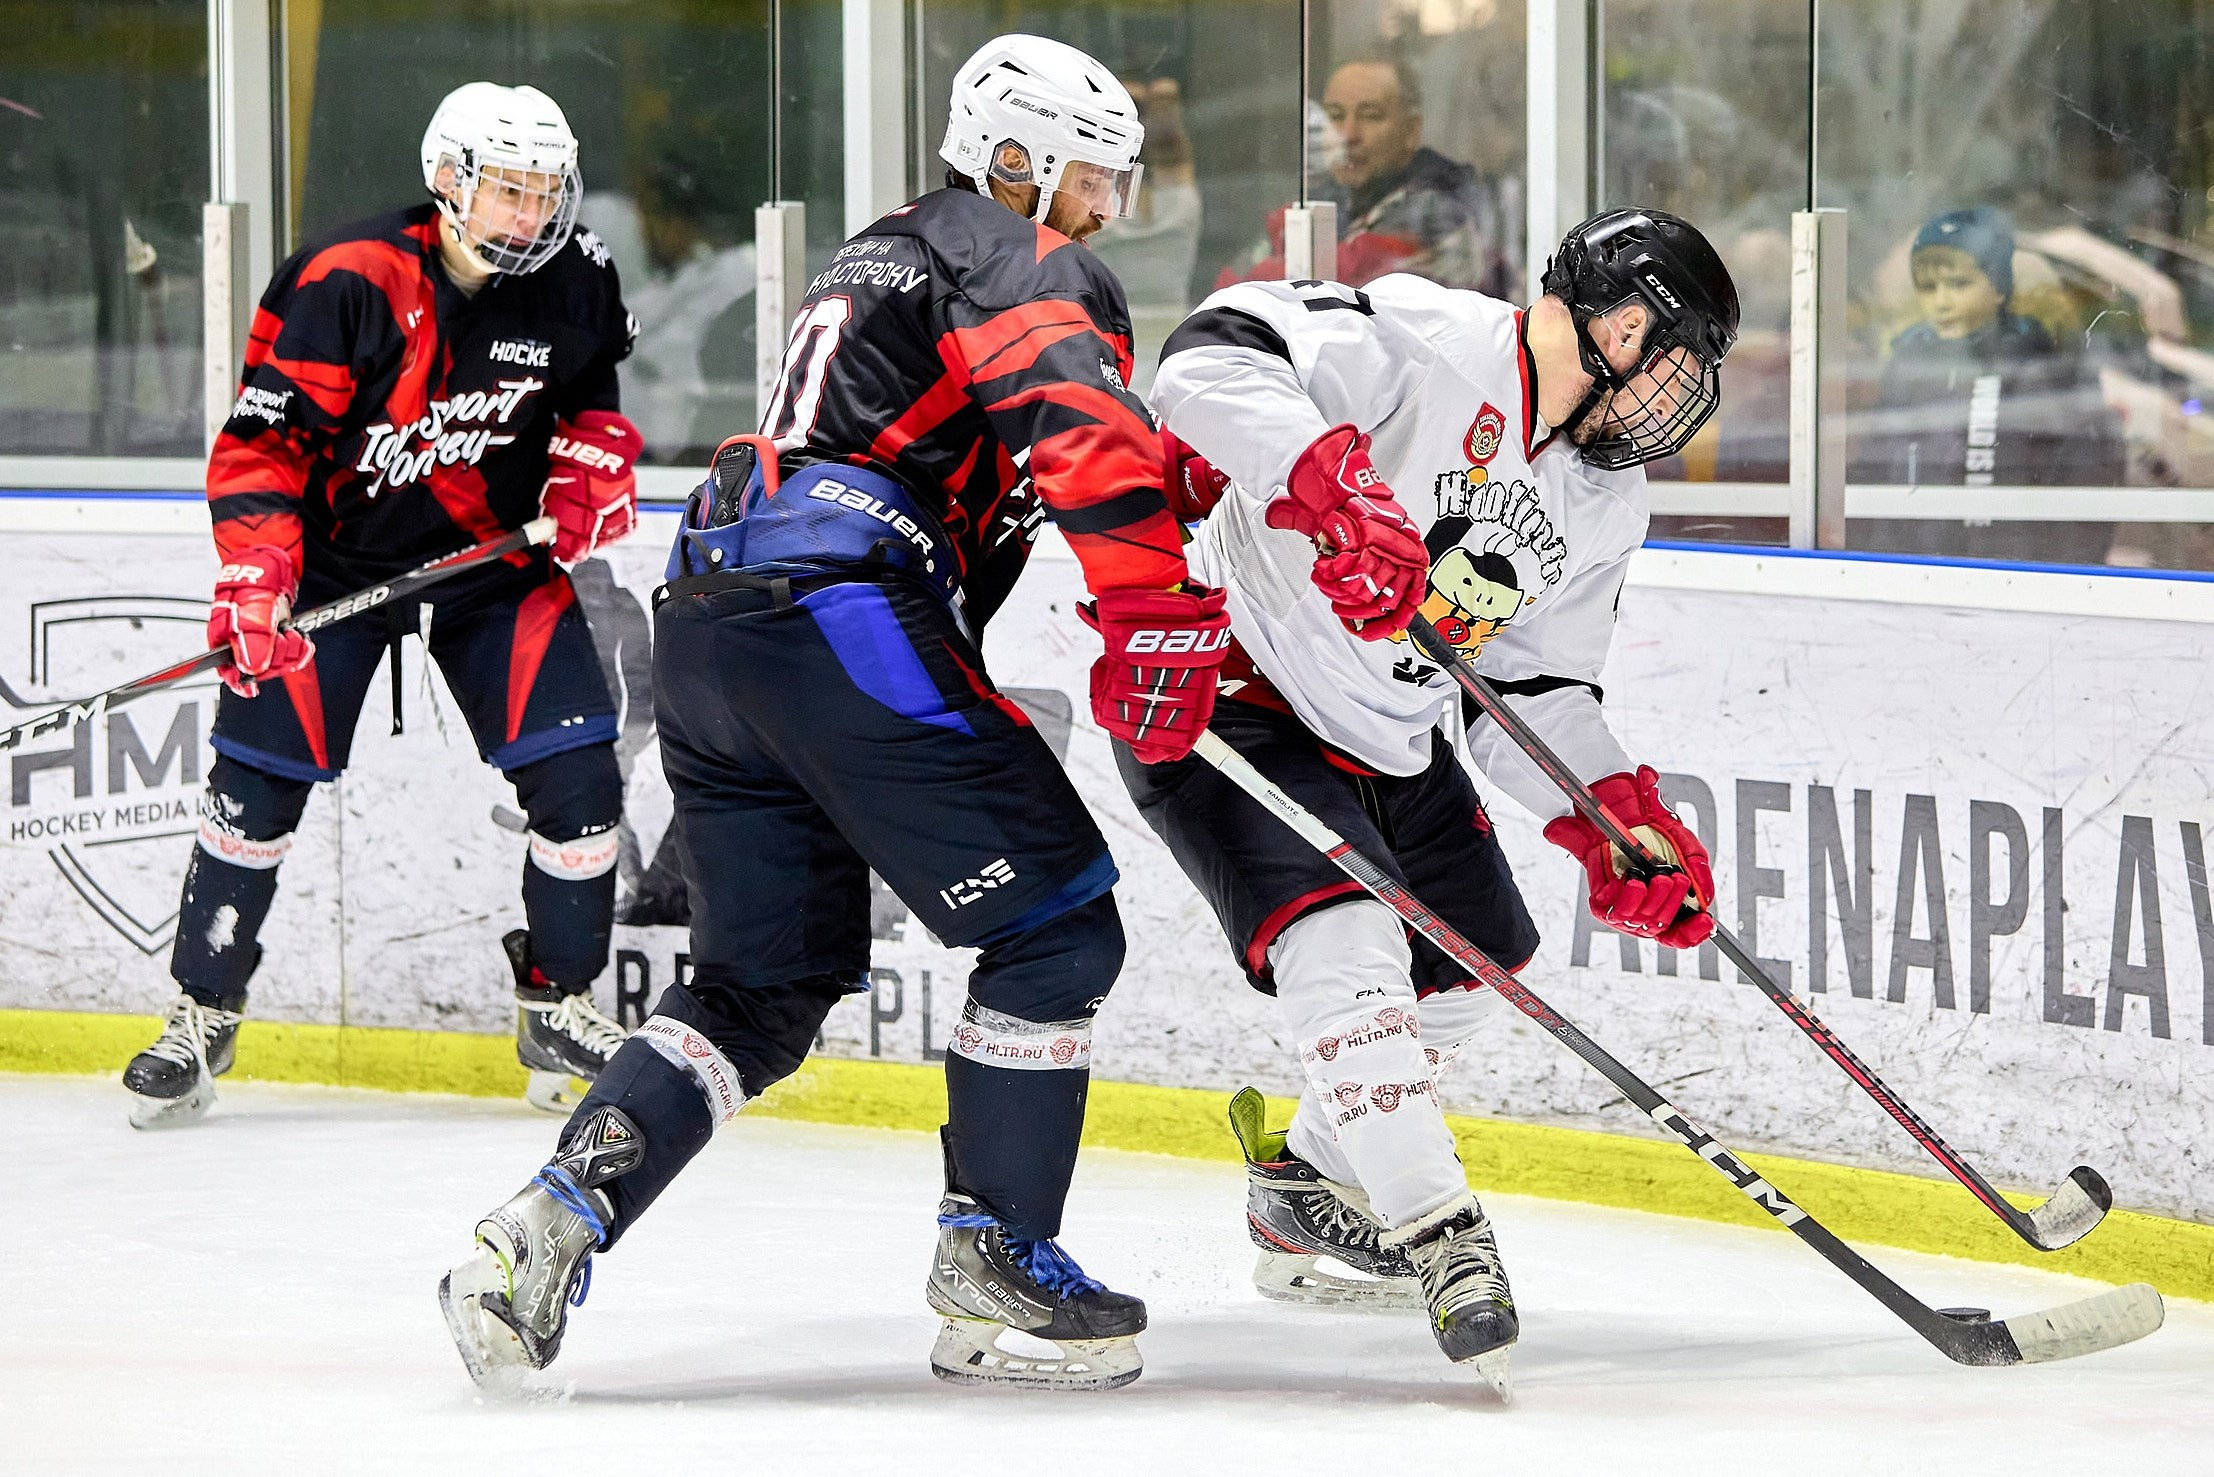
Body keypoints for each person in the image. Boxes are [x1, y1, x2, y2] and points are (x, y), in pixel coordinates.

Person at [439, 35, 1228, 1393]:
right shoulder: (1018, 249)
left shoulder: (887, 250)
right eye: (1092, 179)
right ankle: (993, 1256)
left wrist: (1180, 478)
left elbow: (992, 439)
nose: (1108, 211)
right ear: (1020, 163)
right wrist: (1151, 595)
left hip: (716, 612)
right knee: (1053, 928)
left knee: (760, 982)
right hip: (839, 608)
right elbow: (1070, 424)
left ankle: (542, 1226)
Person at [1137, 209, 1738, 1384]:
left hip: (1391, 733)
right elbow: (1203, 357)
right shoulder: (1423, 335)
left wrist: (1612, 815)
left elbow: (1528, 687)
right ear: (1619, 322)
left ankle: (1304, 1187)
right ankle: (1441, 1231)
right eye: (1675, 359)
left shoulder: (1604, 502)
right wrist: (1328, 480)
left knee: (1476, 964)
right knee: (1349, 942)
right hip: (1235, 690)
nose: (1678, 398)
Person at [121, 82, 641, 1129]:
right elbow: (263, 446)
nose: (534, 215)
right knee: (255, 794)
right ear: (448, 182)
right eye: (508, 191)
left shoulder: (576, 276)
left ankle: (557, 1003)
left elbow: (590, 393)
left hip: (494, 566)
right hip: (334, 572)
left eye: (547, 190)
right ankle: (201, 1013)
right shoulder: (347, 278)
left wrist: (593, 459)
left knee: (581, 781)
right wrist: (258, 574)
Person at [1850, 206, 2124, 564]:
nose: (1942, 302)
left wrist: (2060, 569)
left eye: (1959, 284)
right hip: (1914, 569)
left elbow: (2082, 477)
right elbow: (1878, 467)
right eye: (1928, 287)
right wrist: (1872, 556)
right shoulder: (1910, 363)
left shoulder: (2039, 365)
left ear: (1998, 289)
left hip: (2014, 571)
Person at [1219, 58, 1511, 296]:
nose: (1348, 135)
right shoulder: (1321, 200)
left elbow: (1339, 290)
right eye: (1334, 116)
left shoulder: (1439, 211)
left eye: (1370, 116)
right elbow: (1227, 289)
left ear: (1410, 131)